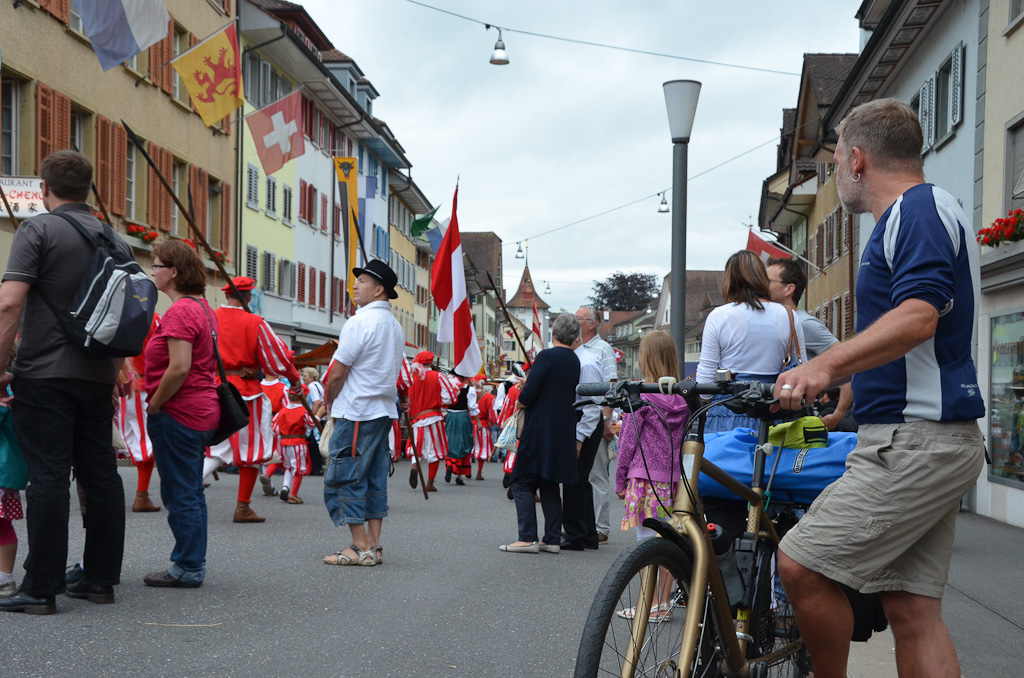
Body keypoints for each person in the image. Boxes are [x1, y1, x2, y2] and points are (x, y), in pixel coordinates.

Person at [773, 98, 986, 678]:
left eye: (836, 161)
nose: (837, 174)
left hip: (911, 443)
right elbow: (907, 337)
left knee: (799, 564)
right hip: (928, 439)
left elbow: (919, 316)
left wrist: (824, 364)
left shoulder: (916, 210)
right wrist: (838, 376)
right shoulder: (924, 211)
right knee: (913, 610)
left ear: (857, 159)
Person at [0, 151, 130, 615]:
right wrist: (114, 371)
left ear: (43, 189)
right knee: (100, 475)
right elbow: (125, 316)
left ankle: (42, 587)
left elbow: (9, 304)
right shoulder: (116, 239)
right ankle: (99, 580)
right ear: (88, 188)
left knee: (49, 477)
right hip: (98, 376)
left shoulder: (38, 230)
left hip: (45, 374)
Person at [141, 241, 220, 589]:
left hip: (179, 410)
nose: (153, 272)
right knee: (190, 491)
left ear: (173, 272)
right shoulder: (202, 307)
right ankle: (192, 561)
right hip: (200, 408)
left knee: (180, 494)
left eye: (156, 265)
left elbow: (179, 367)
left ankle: (188, 566)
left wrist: (155, 403)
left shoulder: (180, 311)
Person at [322, 260, 404, 567]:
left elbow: (337, 373)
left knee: (345, 477)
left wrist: (328, 401)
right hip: (382, 411)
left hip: (356, 410)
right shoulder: (395, 326)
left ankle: (359, 546)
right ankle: (373, 545)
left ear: (379, 289)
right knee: (374, 477)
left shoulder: (359, 322)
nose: (355, 285)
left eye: (363, 281)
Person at [201, 276, 302, 524]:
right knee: (251, 449)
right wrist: (294, 379)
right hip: (246, 392)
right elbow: (278, 359)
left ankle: (186, 490)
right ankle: (243, 507)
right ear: (248, 297)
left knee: (216, 447)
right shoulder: (255, 322)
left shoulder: (209, 318)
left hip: (213, 388)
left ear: (227, 295)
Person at [614, 330, 689, 622]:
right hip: (674, 480)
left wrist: (620, 478)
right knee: (669, 540)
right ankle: (663, 603)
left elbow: (627, 441)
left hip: (644, 478)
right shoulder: (685, 397)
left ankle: (647, 606)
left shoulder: (642, 396)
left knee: (645, 543)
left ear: (645, 358)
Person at [696, 249, 807, 434]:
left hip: (728, 410)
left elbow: (705, 383)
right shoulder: (788, 315)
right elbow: (801, 368)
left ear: (729, 280)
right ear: (761, 277)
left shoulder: (719, 316)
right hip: (773, 409)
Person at [500, 314, 581, 555]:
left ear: (553, 333)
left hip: (539, 429)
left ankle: (527, 538)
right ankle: (552, 538)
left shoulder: (546, 356)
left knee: (521, 482)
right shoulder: (574, 360)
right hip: (562, 430)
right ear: (574, 336)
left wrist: (522, 394)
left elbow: (529, 395)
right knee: (549, 483)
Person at [766, 256, 854, 431]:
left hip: (793, 416)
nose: (760, 285)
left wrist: (839, 413)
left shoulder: (805, 324)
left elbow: (850, 364)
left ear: (789, 289)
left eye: (767, 281)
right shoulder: (773, 322)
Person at [575, 307, 617, 545]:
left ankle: (601, 527)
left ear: (592, 324)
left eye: (578, 318)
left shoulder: (603, 349)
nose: (575, 322)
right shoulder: (577, 347)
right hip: (581, 417)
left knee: (597, 475)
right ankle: (582, 524)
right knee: (581, 475)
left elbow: (611, 387)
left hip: (596, 417)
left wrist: (606, 419)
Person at [560, 332, 605, 551]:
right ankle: (587, 533)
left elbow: (592, 406)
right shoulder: (581, 359)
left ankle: (576, 534)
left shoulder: (585, 363)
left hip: (585, 423)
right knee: (580, 480)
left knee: (575, 479)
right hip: (584, 422)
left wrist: (579, 438)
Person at [117, 314, 163, 512]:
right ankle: (141, 496)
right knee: (145, 440)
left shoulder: (118, 311)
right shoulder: (152, 318)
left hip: (120, 382)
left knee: (127, 439)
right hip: (140, 383)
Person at [406, 351, 455, 492]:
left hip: (416, 419)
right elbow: (449, 397)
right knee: (435, 450)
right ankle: (430, 483)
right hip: (434, 417)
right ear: (431, 362)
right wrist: (441, 404)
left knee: (417, 447)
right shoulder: (438, 376)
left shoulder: (412, 378)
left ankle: (415, 467)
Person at [272, 386, 316, 504]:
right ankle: (293, 495)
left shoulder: (282, 411)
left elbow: (274, 428)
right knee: (298, 469)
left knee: (288, 467)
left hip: (284, 443)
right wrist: (318, 415)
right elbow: (311, 425)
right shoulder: (303, 411)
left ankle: (285, 487)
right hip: (298, 442)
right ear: (304, 397)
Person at [257, 373, 288, 497]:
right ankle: (272, 478)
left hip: (260, 422)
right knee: (280, 453)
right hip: (277, 421)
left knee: (266, 453)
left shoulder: (257, 386)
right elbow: (287, 408)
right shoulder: (283, 387)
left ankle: (269, 484)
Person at [444, 373, 477, 486]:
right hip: (463, 416)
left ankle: (449, 465)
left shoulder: (450, 387)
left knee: (451, 442)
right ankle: (458, 475)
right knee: (463, 443)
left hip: (450, 416)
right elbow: (472, 407)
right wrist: (478, 421)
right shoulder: (469, 389)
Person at [472, 380, 495, 480]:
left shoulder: (468, 393)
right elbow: (492, 414)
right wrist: (492, 422)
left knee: (467, 448)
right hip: (482, 424)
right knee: (482, 449)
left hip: (468, 423)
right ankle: (479, 472)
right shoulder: (488, 396)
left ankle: (464, 471)